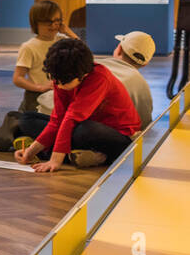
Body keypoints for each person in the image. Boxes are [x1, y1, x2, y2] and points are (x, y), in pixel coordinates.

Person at [13, 38, 142, 171]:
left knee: (83, 131)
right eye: (54, 80)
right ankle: (74, 153)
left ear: (84, 75)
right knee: (27, 119)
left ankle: (94, 155)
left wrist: (55, 161)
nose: (58, 86)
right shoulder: (61, 77)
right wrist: (30, 152)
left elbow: (71, 118)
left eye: (64, 82)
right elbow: (57, 119)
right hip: (80, 124)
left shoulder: (99, 78)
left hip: (119, 135)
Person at [0, 0, 77, 151]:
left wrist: (67, 31)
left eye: (57, 21)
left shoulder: (62, 41)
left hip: (60, 95)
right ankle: (24, 137)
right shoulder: (29, 47)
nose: (53, 26)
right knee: (36, 124)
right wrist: (40, 87)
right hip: (36, 96)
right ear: (36, 23)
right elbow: (17, 78)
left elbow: (82, 52)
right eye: (48, 22)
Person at [38, 30, 154, 129]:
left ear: (118, 49)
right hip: (87, 130)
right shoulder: (141, 86)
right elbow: (144, 124)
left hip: (48, 114)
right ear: (145, 64)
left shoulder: (94, 65)